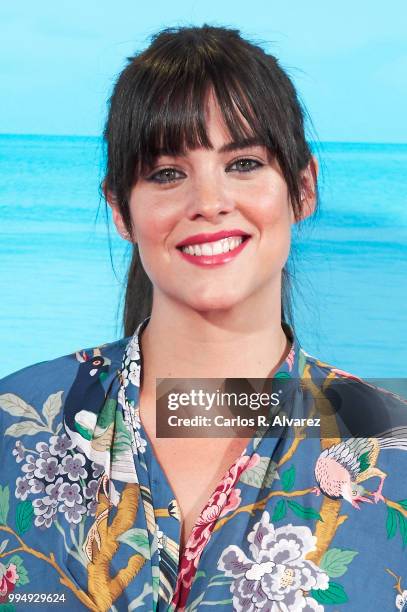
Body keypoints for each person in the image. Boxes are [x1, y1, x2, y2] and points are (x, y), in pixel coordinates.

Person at [1, 24, 407, 612]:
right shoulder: (18, 430)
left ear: (302, 188)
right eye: (167, 173)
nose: (209, 202)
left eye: (243, 163)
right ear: (121, 208)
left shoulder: (391, 451)